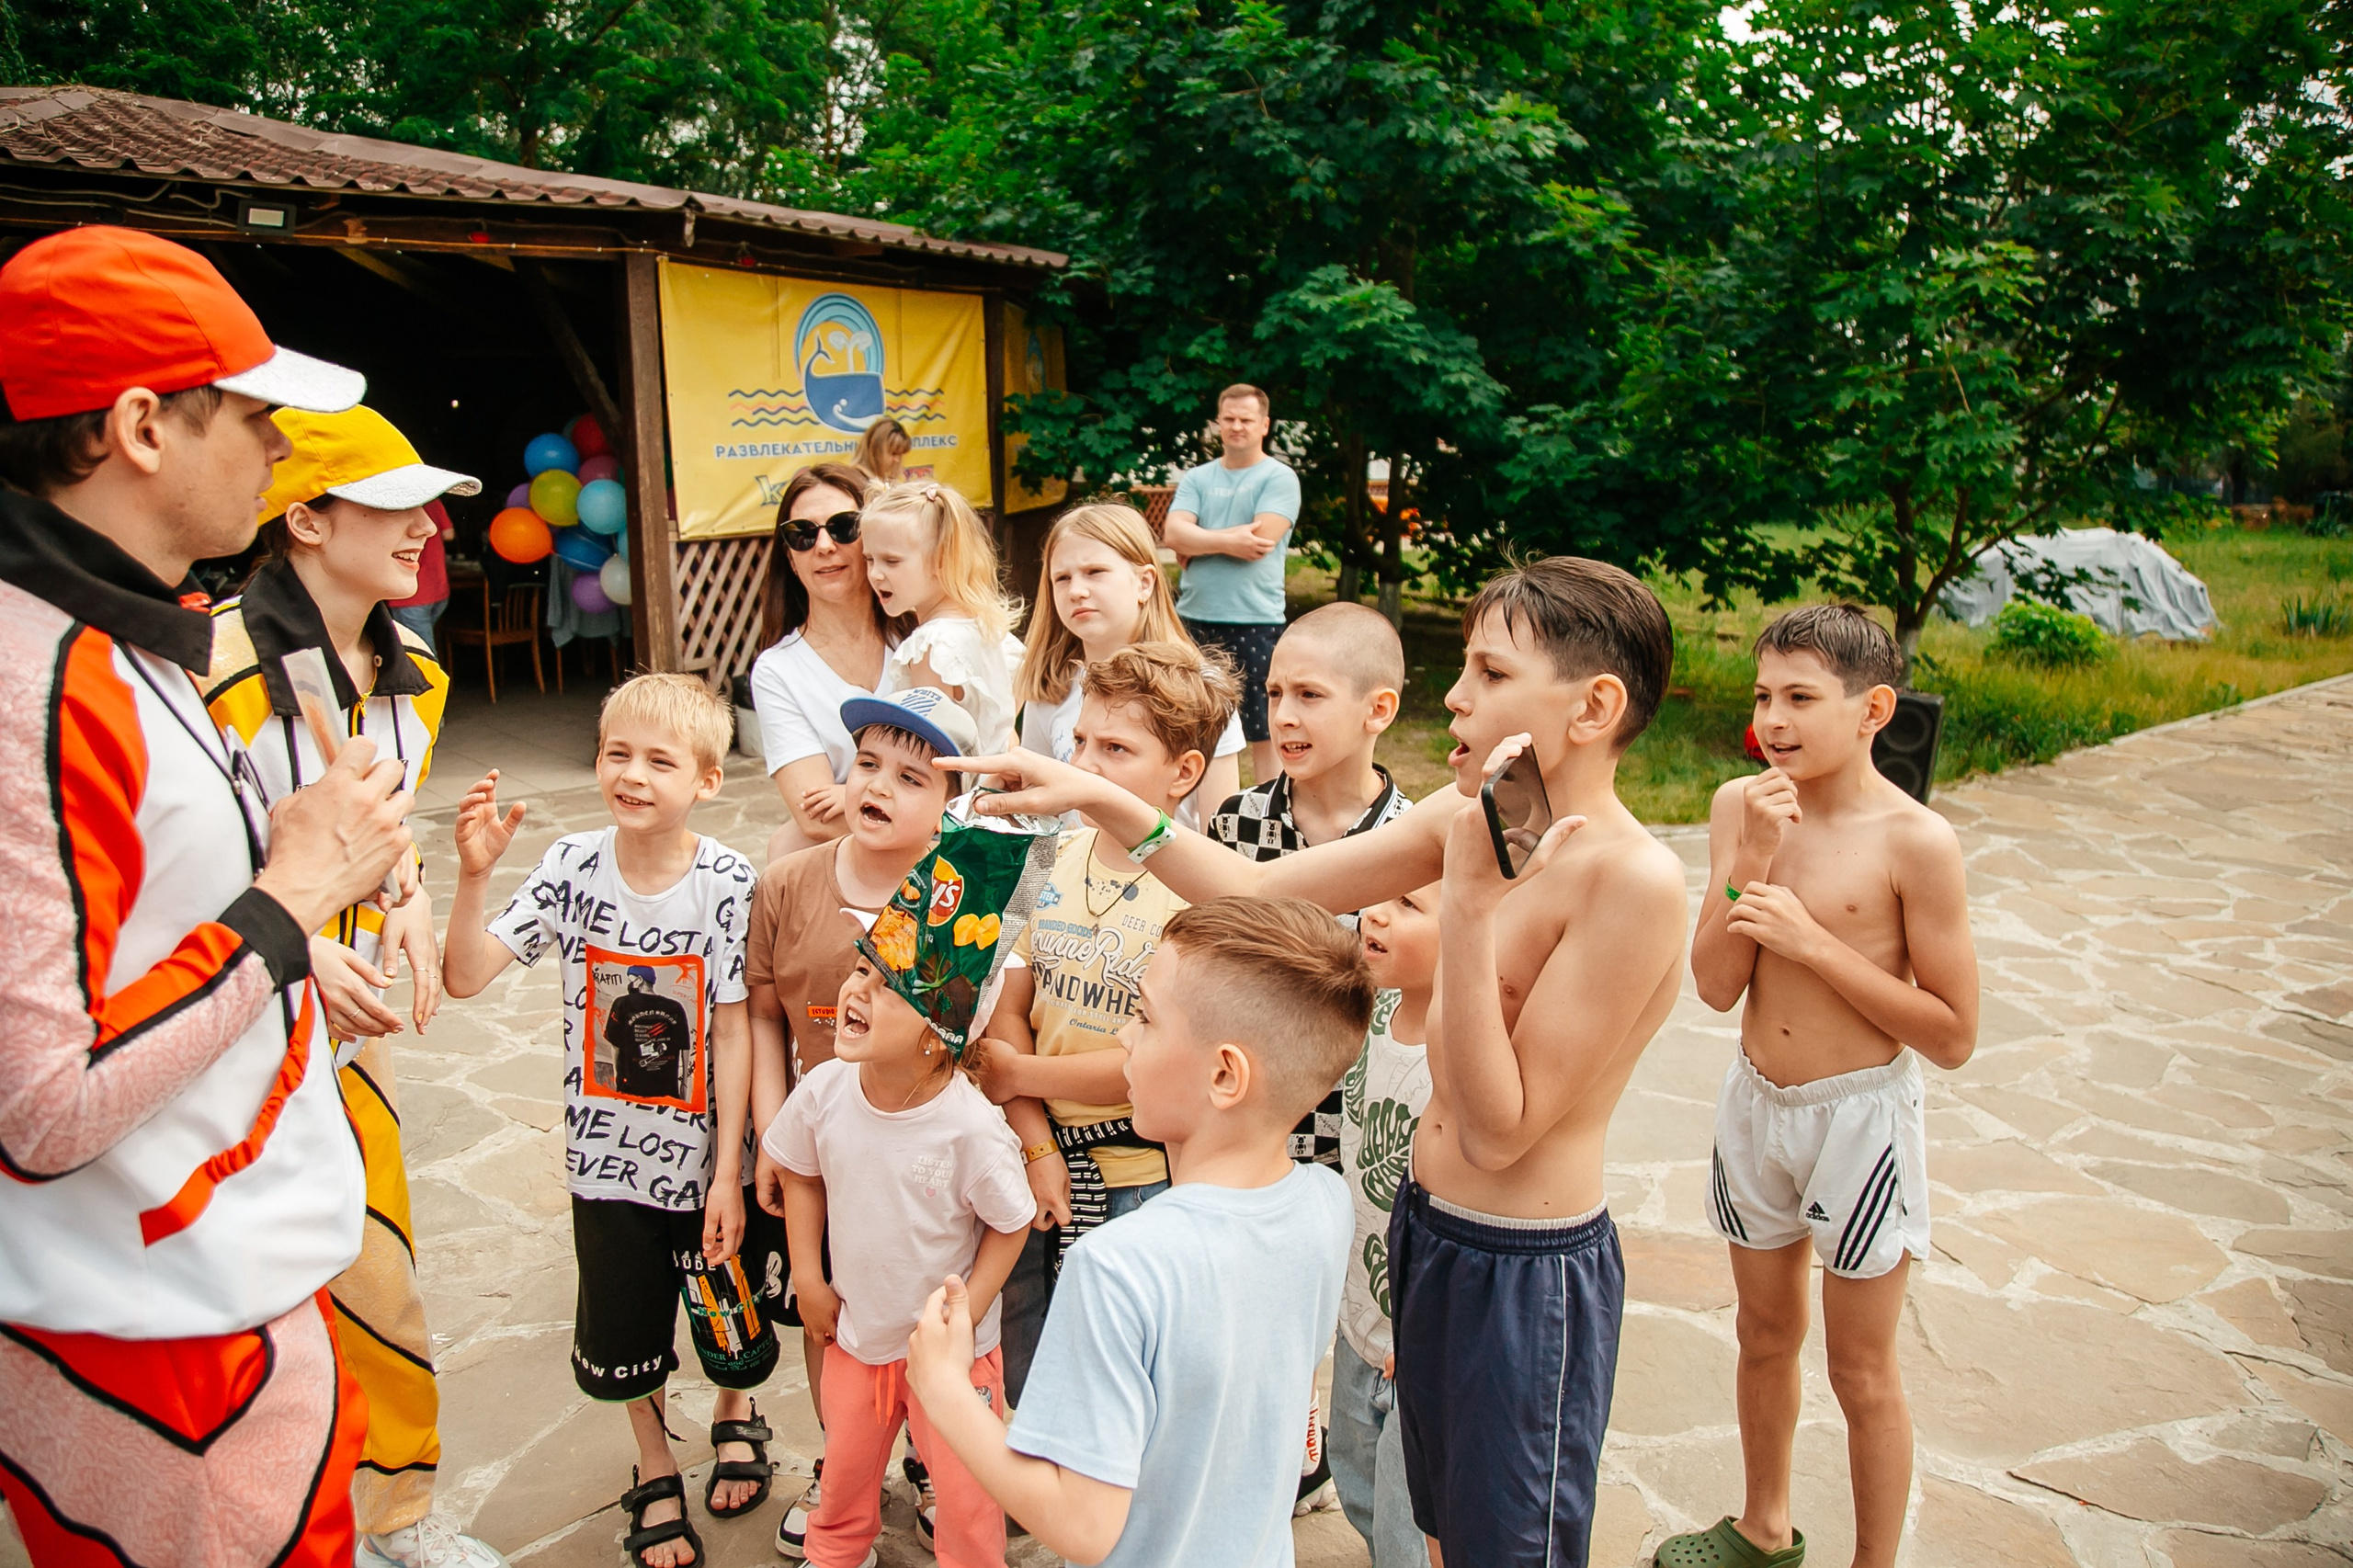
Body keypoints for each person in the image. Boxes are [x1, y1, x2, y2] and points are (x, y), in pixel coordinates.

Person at [944, 555, 1695, 1567]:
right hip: (1425, 1233)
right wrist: (1101, 796)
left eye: (1488, 672)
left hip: (1521, 1271)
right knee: (1423, 1516)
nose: (1458, 697)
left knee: (1505, 1542)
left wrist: (1466, 908)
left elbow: (1500, 1125)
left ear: (1593, 704)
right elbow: (1267, 891)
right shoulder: (1466, 817)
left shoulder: (1631, 878)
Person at [0, 224, 414, 1568]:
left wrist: (298, 904)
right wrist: (290, 905)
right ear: (137, 426)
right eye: (253, 416)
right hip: (164, 1338)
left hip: (215, 1293)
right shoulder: (39, 682)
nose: (283, 450)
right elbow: (43, 1105)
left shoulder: (119, 629)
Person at [201, 403, 504, 1568]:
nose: (431, 526)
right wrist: (287, 938)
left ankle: (391, 1519)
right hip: (217, 1033)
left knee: (377, 1263)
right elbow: (167, 862)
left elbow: (383, 826)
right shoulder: (201, 666)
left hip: (339, 1043)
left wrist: (412, 892)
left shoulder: (411, 671)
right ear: (307, 516)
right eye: (399, 502)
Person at [904, 897, 1370, 1568]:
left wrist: (946, 1389)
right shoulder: (1327, 1202)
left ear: (1224, 1074)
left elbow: (1082, 1526)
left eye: (1145, 1017)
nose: (1123, 1036)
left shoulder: (1116, 1266)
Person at [1664, 606, 1979, 1568]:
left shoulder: (1914, 842)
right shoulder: (1739, 806)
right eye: (1764, 696)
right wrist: (1751, 860)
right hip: (1756, 1105)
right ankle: (1764, 1525)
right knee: (1763, 1331)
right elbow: (1716, 984)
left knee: (1860, 1368)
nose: (1775, 718)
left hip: (1860, 1121)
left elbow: (1953, 1032)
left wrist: (1811, 943)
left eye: (1800, 696)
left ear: (1873, 706)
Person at [442, 675, 776, 1568]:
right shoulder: (568, 867)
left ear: (706, 780)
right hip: (608, 1167)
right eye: (615, 753)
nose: (630, 773)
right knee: (627, 1330)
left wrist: (724, 1173)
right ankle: (654, 1459)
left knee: (727, 1328)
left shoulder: (726, 882)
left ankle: (738, 1413)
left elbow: (738, 1025)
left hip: (709, 1163)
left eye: (658, 759)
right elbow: (466, 974)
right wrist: (474, 877)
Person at [746, 687, 1063, 1557]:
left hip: (951, 1351)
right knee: (844, 1470)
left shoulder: (966, 1125)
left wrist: (1032, 1153)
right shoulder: (828, 1089)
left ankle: (936, 1487)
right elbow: (771, 1033)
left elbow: (1002, 1222)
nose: (855, 993)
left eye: (881, 987)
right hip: (855, 1332)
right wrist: (807, 1273)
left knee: (967, 1500)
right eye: (868, 764)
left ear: (934, 1038)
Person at [967, 643, 1241, 1399]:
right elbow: (1008, 1011)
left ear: (1183, 772)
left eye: (1115, 749)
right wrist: (1036, 1145)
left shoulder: (1202, 894)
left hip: (1142, 1177)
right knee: (1029, 1366)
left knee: (1129, 1378)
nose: (1084, 763)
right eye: (1081, 741)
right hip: (1032, 1159)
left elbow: (1156, 1061)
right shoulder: (1046, 858)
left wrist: (1018, 1075)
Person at [1208, 599, 1410, 1167]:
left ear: (1378, 710)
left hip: (1364, 1130)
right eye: (1274, 694)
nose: (1283, 716)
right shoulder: (1235, 822)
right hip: (1249, 1124)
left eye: (1309, 695)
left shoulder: (1411, 844)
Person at [1329, 881, 1440, 1567]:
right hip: (1359, 1298)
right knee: (1353, 1470)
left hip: (1420, 1324)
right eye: (1380, 899)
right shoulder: (1378, 1008)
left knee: (1407, 1513)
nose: (1375, 913)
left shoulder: (1459, 1054)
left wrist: (1424, 1322)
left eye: (1410, 906)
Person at [1014, 502, 1242, 830]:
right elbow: (1037, 816)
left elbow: (1221, 830)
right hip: (1069, 875)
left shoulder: (1201, 689)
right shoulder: (1052, 687)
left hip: (1166, 876)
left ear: (1144, 583)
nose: (1077, 590)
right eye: (1061, 578)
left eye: (1095, 572)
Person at [748, 462, 893, 864]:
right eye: (803, 534)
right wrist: (940, 818)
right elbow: (815, 820)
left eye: (844, 526)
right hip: (853, 868)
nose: (824, 546)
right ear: (790, 558)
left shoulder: (924, 638)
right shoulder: (778, 671)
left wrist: (851, 797)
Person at [1164, 383, 1302, 781]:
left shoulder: (1279, 477)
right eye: (1229, 419)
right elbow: (1173, 533)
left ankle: (1271, 811)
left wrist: (1200, 540)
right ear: (1218, 424)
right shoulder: (1198, 478)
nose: (1237, 426)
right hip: (1191, 619)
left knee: (1264, 728)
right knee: (1190, 722)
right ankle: (1201, 809)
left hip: (1254, 620)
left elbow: (1261, 541)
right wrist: (1228, 540)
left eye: (1246, 419)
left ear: (1264, 425)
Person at [861, 480, 1023, 752]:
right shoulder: (991, 633)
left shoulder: (932, 646)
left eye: (891, 561)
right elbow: (1008, 738)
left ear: (942, 560)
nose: (875, 574)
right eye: (869, 559)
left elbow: (930, 752)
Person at [386, 496, 458, 652]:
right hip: (438, 589)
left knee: (422, 656)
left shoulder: (394, 501)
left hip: (413, 596)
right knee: (420, 650)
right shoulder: (433, 499)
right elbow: (449, 534)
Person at [854, 415, 911, 483]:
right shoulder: (855, 481)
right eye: (893, 453)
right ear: (875, 451)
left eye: (900, 455)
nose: (897, 460)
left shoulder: (888, 482)